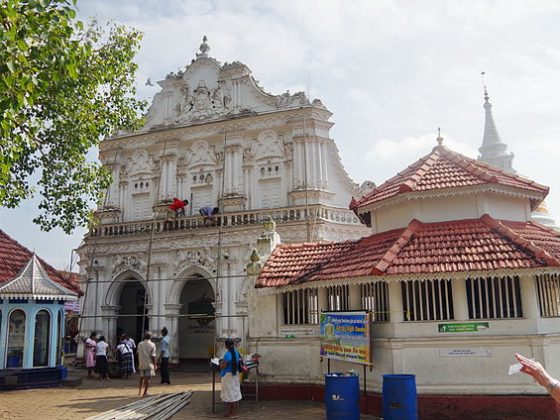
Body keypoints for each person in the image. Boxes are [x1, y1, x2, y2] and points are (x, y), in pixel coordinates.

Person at [220, 338, 242, 418]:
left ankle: (233, 413)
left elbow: (223, 366)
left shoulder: (227, 355)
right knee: (235, 393)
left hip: (228, 376)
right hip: (235, 375)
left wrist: (220, 364)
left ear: (226, 346)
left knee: (229, 395)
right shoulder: (236, 353)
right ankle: (232, 412)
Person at [137, 331, 157, 397]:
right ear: (150, 337)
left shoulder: (140, 344)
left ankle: (139, 391)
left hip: (141, 363)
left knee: (142, 377)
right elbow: (153, 356)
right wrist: (155, 364)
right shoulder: (152, 344)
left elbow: (137, 353)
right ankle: (145, 392)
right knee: (148, 378)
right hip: (149, 363)